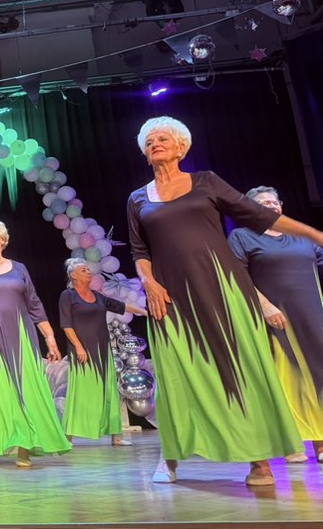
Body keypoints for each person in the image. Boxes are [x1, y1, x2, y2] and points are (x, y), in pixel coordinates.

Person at [127, 116, 323, 486]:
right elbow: (140, 250)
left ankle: (259, 461)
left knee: (240, 367)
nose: (155, 143)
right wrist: (148, 282)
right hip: (169, 296)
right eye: (149, 141)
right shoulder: (137, 198)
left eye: (163, 138)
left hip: (221, 287)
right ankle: (171, 455)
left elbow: (262, 217)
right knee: (176, 373)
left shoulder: (206, 182)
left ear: (181, 147)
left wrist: (314, 234)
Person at [0, 218, 71, 468]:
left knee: (26, 391)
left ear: (2, 239)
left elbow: (34, 304)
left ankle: (24, 448)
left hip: (21, 337)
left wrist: (50, 337)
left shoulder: (19, 268)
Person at [228, 186, 323, 463]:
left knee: (318, 375)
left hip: (313, 317)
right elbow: (236, 276)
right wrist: (265, 305)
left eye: (274, 201)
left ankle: (320, 443)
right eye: (263, 202)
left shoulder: (300, 236)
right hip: (275, 319)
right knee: (286, 375)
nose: (271, 205)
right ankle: (291, 442)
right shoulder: (242, 237)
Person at [58, 258, 146, 445]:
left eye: (88, 269)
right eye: (83, 270)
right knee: (81, 392)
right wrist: (78, 347)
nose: (88, 272)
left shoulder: (97, 296)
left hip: (102, 350)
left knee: (108, 391)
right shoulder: (68, 296)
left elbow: (121, 307)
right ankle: (68, 437)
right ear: (73, 275)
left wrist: (145, 312)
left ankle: (116, 436)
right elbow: (66, 325)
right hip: (82, 350)